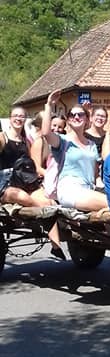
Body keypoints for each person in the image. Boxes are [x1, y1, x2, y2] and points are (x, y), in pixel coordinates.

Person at [0, 103, 64, 257]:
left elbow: (30, 163)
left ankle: (56, 246)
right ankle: (42, 216)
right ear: (10, 118)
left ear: (25, 119)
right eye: (16, 115)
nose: (18, 118)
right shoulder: (2, 137)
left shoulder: (26, 141)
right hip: (5, 183)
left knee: (47, 200)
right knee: (22, 197)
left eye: (21, 116)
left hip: (24, 181)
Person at [42, 91, 109, 212]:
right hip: (70, 189)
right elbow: (46, 133)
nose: (76, 117)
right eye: (72, 115)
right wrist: (49, 105)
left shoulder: (92, 145)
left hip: (88, 190)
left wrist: (105, 188)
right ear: (68, 120)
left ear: (87, 119)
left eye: (80, 114)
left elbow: (96, 175)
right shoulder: (62, 140)